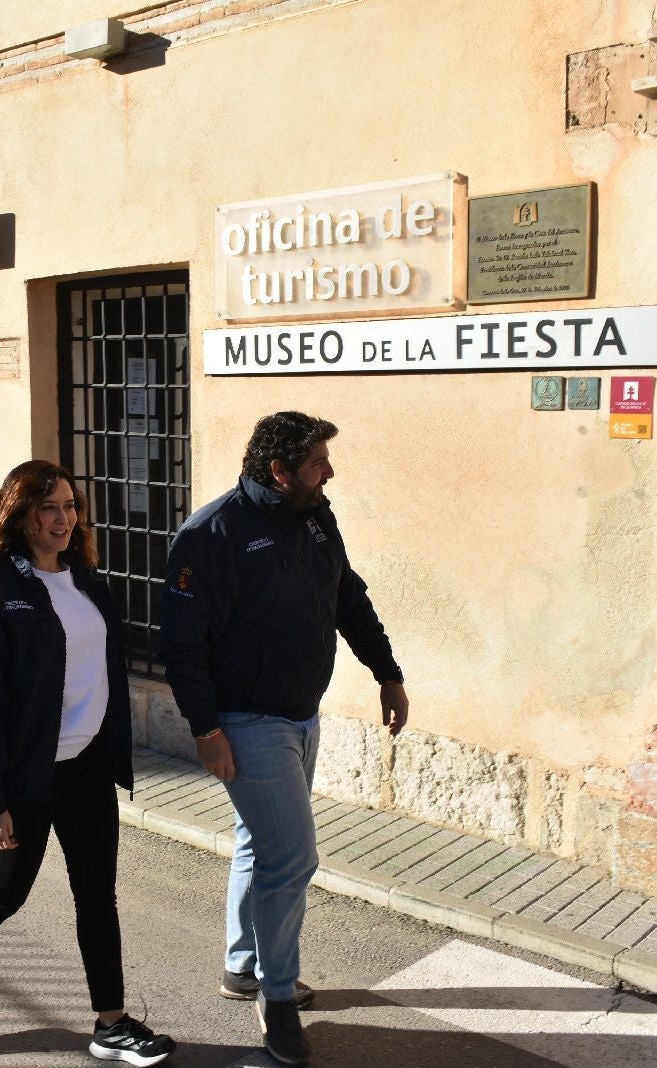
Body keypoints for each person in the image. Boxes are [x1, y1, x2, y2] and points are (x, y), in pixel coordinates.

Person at [159, 412, 408, 1066]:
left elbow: (346, 597)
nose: (330, 471)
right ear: (279, 470)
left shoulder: (314, 517)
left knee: (259, 843)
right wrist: (205, 727)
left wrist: (387, 672)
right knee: (292, 858)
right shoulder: (210, 536)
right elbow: (183, 646)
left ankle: (244, 967)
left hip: (301, 714)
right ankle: (277, 1005)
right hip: (246, 720)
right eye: (318, 462)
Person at [0, 460, 175, 1065]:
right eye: (49, 508)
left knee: (97, 895)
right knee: (5, 895)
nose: (64, 519)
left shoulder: (88, 583)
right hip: (27, 775)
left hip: (87, 765)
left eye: (70, 506)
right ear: (20, 516)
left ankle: (110, 1022)